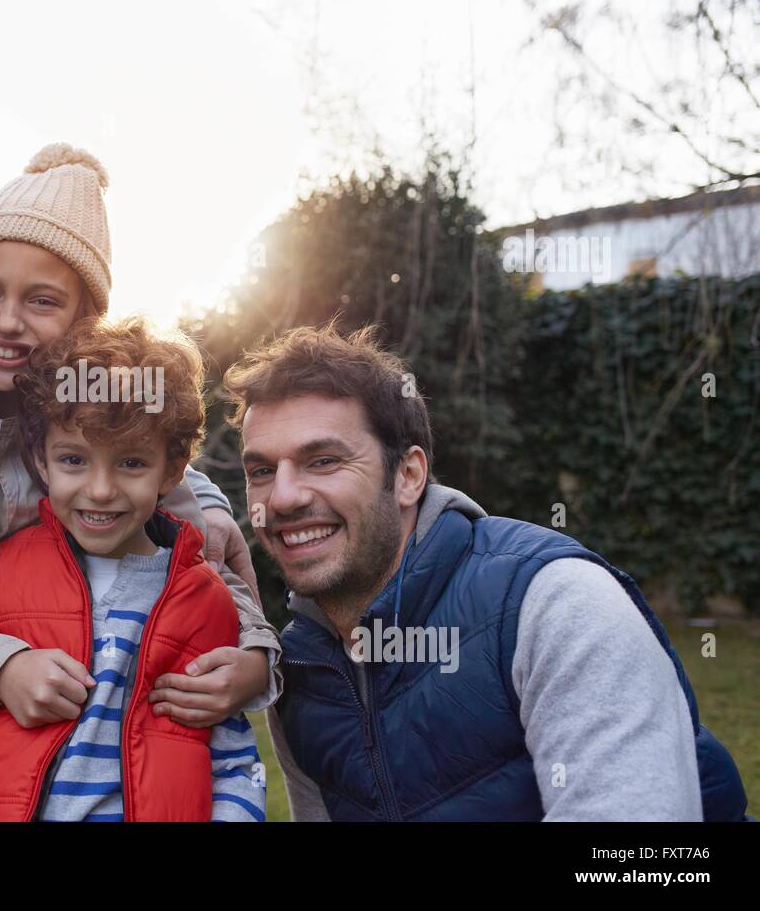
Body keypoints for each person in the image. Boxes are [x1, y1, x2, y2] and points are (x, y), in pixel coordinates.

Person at [0, 144, 281, 818]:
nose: (7, 321)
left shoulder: (115, 437)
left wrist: (256, 658)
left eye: (42, 300)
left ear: (83, 320)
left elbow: (200, 571)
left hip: (125, 737)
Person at [223, 322, 748, 821]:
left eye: (324, 461)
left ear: (408, 476)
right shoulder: (299, 671)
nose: (284, 497)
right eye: (262, 471)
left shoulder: (553, 602)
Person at [0, 316, 265, 821]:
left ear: (172, 471)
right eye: (74, 460)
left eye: (130, 463)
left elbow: (234, 759)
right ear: (41, 461)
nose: (101, 490)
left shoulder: (203, 600)